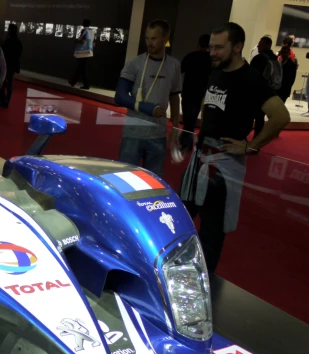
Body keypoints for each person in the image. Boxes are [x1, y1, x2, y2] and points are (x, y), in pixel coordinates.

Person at [180, 22, 290, 276]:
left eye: (219, 47)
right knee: (180, 217)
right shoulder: (215, 71)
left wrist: (251, 146)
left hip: (224, 166)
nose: (213, 52)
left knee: (211, 232)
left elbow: (280, 116)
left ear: (238, 47)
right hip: (200, 158)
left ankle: (202, 284)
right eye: (211, 47)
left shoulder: (252, 80)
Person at [114, 19, 181, 177]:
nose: (149, 43)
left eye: (154, 38)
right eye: (147, 38)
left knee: (153, 182)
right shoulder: (134, 64)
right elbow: (120, 96)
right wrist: (149, 109)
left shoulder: (174, 65)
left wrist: (176, 127)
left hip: (158, 135)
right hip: (133, 134)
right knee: (126, 179)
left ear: (165, 38)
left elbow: (174, 97)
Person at [180, 34, 212, 147]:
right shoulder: (211, 60)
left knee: (188, 118)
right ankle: (190, 139)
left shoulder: (190, 56)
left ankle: (186, 140)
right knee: (194, 118)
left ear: (199, 44)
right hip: (202, 94)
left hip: (188, 91)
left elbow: (180, 70)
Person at [249, 35, 282, 137]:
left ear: (267, 45)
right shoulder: (275, 60)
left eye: (260, 44)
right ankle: (256, 143)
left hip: (256, 93)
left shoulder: (260, 58)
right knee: (260, 118)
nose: (258, 46)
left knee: (249, 116)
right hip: (269, 93)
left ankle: (242, 139)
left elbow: (251, 75)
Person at [0, 22, 22, 107]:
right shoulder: (18, 42)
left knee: (5, 82)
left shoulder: (8, 40)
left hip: (8, 64)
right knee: (9, 84)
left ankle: (4, 100)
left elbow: (4, 51)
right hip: (12, 65)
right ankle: (6, 100)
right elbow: (19, 53)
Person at [69, 19, 95, 89]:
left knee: (82, 69)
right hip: (89, 52)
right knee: (81, 68)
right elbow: (94, 43)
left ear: (83, 24)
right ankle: (73, 82)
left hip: (82, 52)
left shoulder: (84, 31)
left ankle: (86, 85)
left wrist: (75, 40)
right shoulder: (92, 32)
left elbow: (82, 41)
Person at [277, 37, 298, 103]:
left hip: (284, 89)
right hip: (277, 88)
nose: (283, 54)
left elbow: (291, 79)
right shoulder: (278, 61)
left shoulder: (292, 64)